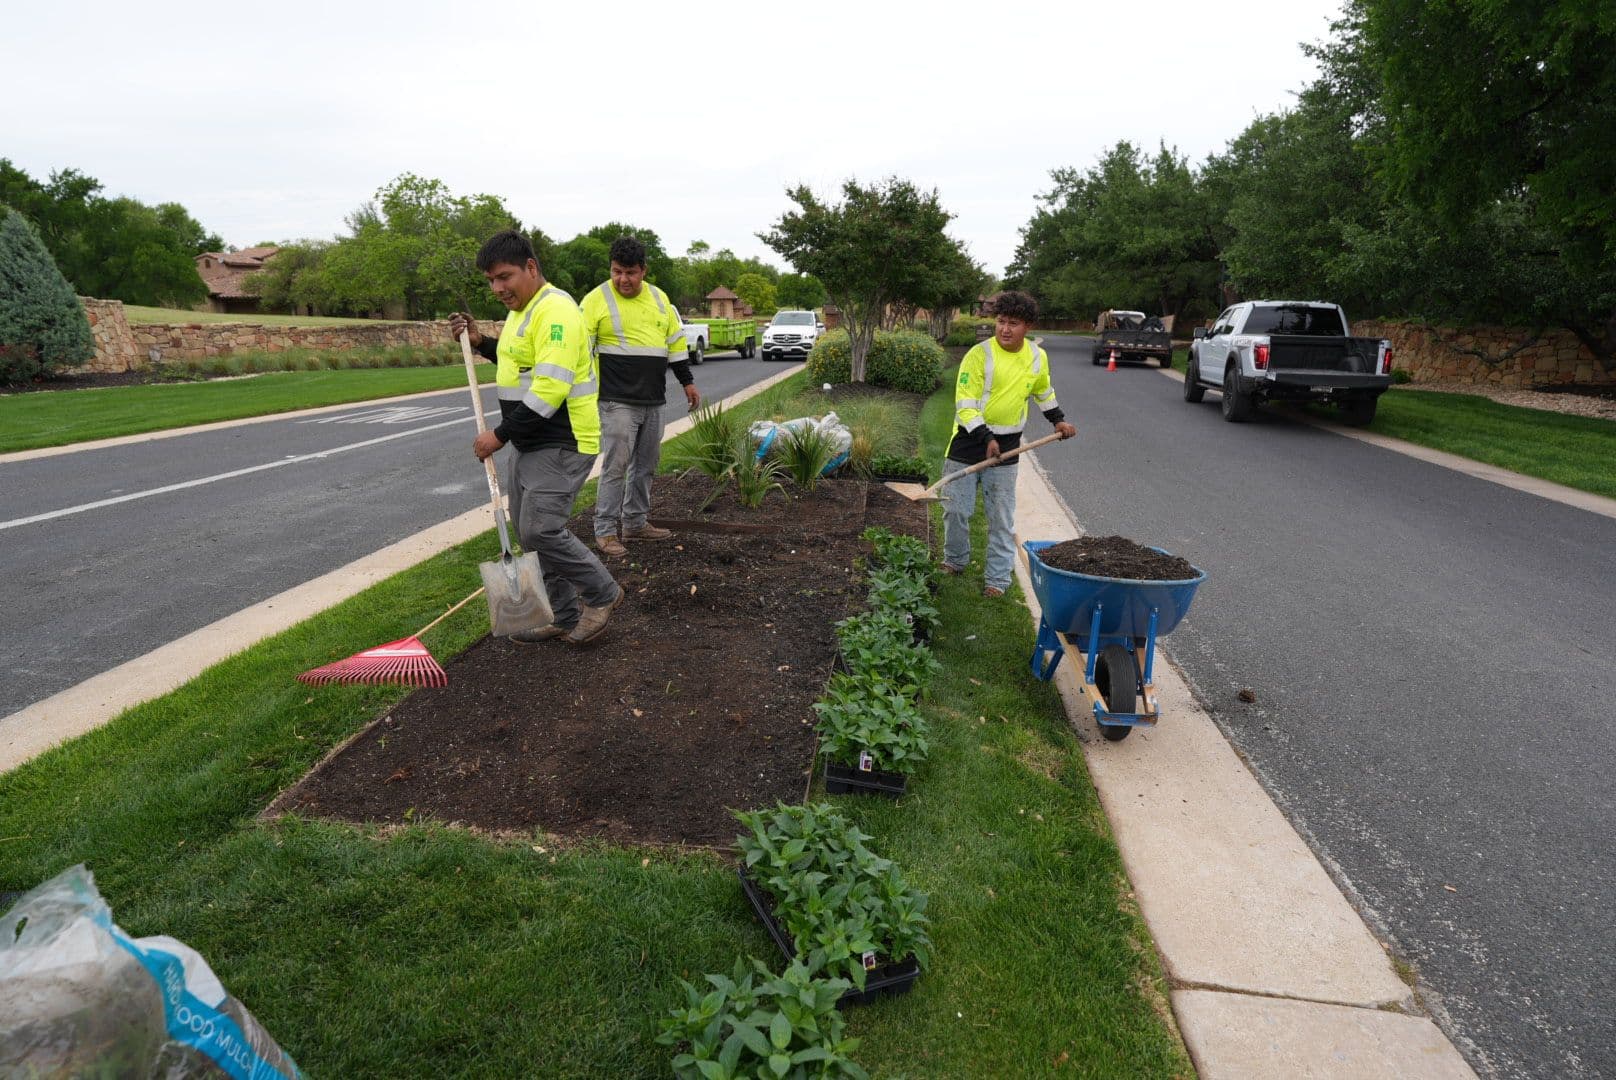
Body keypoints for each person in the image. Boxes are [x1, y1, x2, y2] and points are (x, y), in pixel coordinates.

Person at [450, 230, 623, 644]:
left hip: (563, 439)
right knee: (527, 533)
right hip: (534, 441)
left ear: (531, 267)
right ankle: (562, 615)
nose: (497, 288)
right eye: (491, 281)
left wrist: (499, 435)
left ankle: (603, 594)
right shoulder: (523, 313)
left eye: (504, 277)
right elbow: (520, 361)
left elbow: (549, 388)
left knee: (542, 530)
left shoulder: (556, 312)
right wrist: (480, 343)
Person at [942, 290, 1076, 597]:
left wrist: (1058, 420)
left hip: (1009, 447)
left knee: (1001, 518)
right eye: (1001, 321)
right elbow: (965, 404)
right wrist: (985, 438)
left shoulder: (1036, 357)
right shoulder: (979, 355)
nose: (1004, 329)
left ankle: (997, 581)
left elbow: (1043, 392)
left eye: (1013, 323)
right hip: (967, 442)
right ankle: (955, 560)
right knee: (956, 511)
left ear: (1027, 326)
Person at [580, 236, 701, 558]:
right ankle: (605, 531)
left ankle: (635, 523)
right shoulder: (595, 300)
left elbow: (675, 345)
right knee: (616, 467)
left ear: (644, 270)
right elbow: (579, 351)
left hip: (653, 399)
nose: (623, 280)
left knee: (646, 465)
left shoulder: (660, 300)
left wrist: (687, 383)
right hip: (615, 400)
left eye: (630, 272)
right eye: (617, 271)